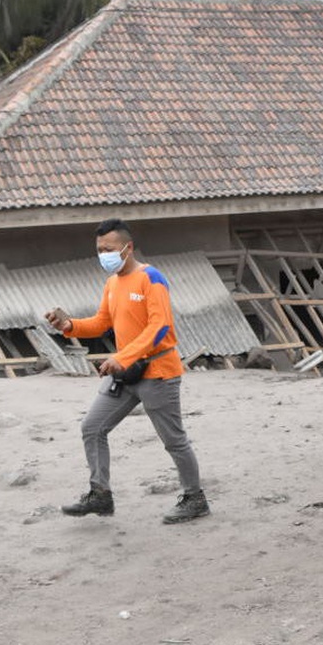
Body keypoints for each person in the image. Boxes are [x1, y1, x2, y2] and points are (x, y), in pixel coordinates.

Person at [45, 219, 210, 524]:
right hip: (125, 374)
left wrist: (123, 356)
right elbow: (101, 322)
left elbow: (160, 327)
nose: (102, 254)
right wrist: (70, 326)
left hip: (157, 371)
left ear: (127, 247)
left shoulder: (151, 278)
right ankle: (100, 495)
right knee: (92, 427)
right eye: (98, 250)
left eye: (108, 249)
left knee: (173, 439)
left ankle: (195, 498)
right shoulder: (112, 283)